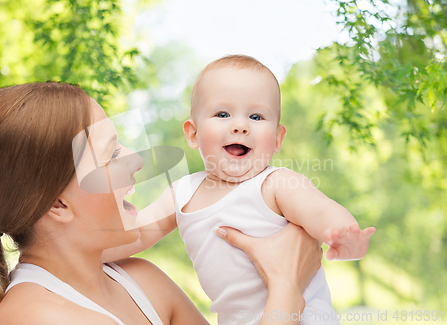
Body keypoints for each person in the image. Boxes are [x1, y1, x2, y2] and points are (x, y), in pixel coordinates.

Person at [0, 81, 323, 325]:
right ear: (57, 205)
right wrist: (286, 289)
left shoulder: (140, 280)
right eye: (111, 154)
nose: (137, 160)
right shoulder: (37, 318)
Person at [102, 55, 376, 325]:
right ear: (193, 134)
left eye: (256, 116)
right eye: (223, 114)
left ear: (278, 138)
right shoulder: (182, 193)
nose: (240, 126)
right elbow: (135, 234)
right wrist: (86, 253)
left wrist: (341, 231)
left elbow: (320, 210)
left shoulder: (275, 184)